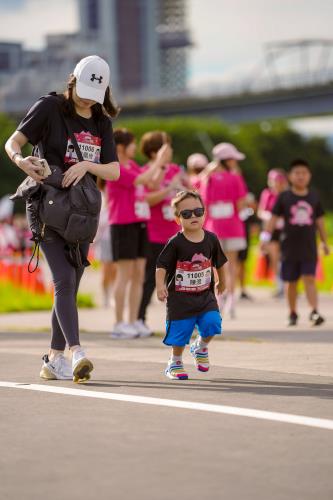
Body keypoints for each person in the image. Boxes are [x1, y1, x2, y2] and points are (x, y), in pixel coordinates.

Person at [5, 55, 120, 382]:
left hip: (83, 213)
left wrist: (86, 166)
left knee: (69, 286)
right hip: (48, 207)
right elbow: (12, 142)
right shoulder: (49, 107)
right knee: (64, 282)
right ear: (72, 80)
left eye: (93, 95)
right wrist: (20, 161)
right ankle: (77, 351)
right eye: (82, 90)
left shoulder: (101, 120)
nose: (86, 99)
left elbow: (114, 170)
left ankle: (54, 359)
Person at [106, 128, 171, 339]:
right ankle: (118, 323)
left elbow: (152, 182)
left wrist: (161, 164)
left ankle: (134, 320)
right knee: (124, 274)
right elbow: (141, 180)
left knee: (139, 274)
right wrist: (158, 160)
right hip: (123, 223)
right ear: (120, 147)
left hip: (140, 222)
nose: (135, 147)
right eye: (132, 144)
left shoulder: (132, 165)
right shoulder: (114, 168)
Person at [156, 190, 227, 380]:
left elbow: (220, 263)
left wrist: (222, 281)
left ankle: (201, 347)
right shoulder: (175, 243)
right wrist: (160, 286)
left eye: (198, 211)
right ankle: (175, 361)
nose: (193, 216)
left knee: (213, 323)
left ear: (204, 212)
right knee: (180, 333)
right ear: (177, 219)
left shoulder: (211, 239)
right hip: (180, 299)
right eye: (186, 214)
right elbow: (161, 266)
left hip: (205, 295)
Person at [261, 159, 329, 326]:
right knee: (291, 282)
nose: (301, 176)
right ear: (290, 177)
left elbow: (320, 220)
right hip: (289, 246)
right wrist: (265, 238)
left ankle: (314, 311)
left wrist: (324, 242)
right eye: (297, 173)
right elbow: (273, 218)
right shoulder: (284, 197)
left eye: (304, 173)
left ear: (309, 176)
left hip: (309, 246)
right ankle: (292, 312)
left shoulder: (314, 196)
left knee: (309, 278)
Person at [137, 131, 185, 334]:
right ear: (157, 151)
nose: (171, 151)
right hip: (154, 233)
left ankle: (178, 321)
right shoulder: (147, 171)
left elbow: (188, 192)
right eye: (167, 147)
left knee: (178, 278)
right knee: (151, 278)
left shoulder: (176, 169)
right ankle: (139, 317)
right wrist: (168, 187)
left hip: (174, 233)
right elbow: (148, 197)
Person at [200, 142, 247, 318]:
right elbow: (241, 204)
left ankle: (219, 300)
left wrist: (206, 174)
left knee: (215, 266)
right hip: (234, 226)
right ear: (225, 160)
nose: (235, 162)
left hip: (214, 228)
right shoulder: (235, 177)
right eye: (233, 158)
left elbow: (202, 199)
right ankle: (231, 302)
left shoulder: (208, 178)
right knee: (231, 265)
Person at [258, 169, 288, 297]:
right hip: (270, 229)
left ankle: (289, 285)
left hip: (286, 230)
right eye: (275, 182)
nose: (277, 184)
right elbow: (261, 211)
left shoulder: (288, 195)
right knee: (274, 258)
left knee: (286, 257)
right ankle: (280, 285)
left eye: (280, 182)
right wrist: (270, 216)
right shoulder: (267, 194)